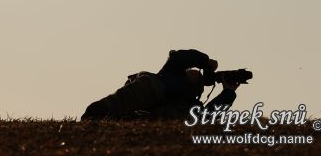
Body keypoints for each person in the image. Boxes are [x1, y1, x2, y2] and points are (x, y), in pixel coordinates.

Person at [81, 49, 240, 120]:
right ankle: (99, 115)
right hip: (148, 89)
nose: (196, 71)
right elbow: (178, 57)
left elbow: (206, 115)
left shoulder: (188, 105)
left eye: (198, 74)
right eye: (195, 69)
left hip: (150, 114)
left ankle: (103, 118)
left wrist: (228, 92)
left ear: (194, 92)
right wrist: (205, 61)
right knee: (100, 110)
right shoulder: (170, 75)